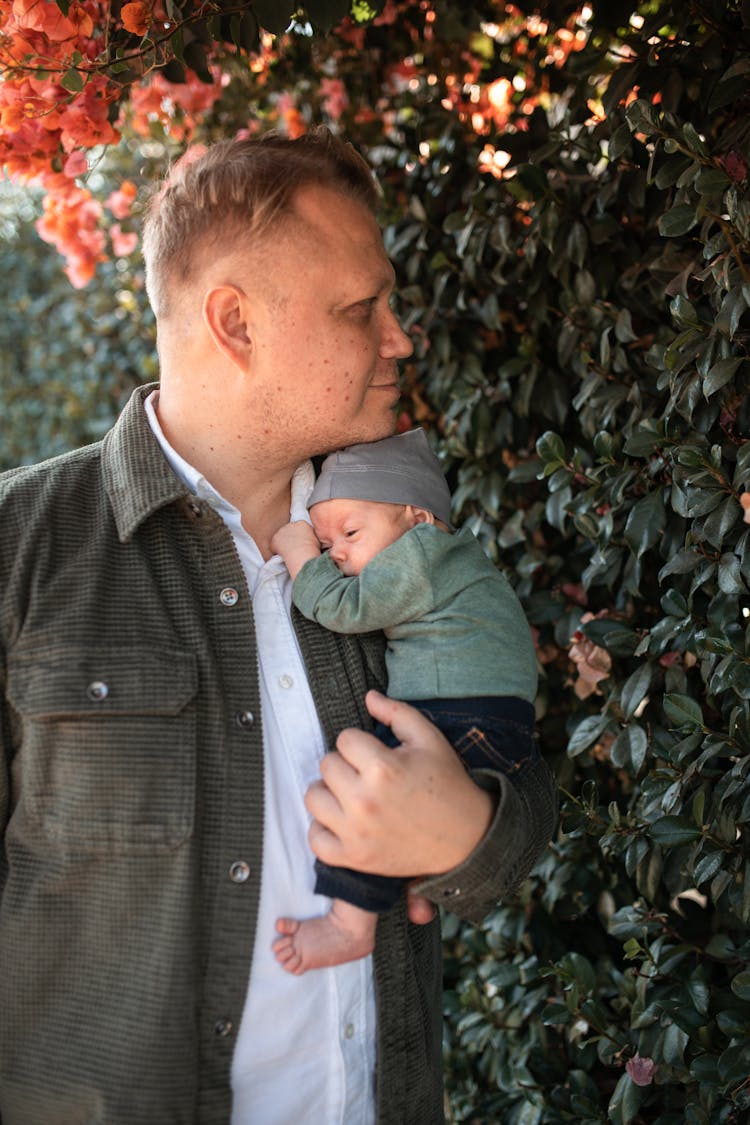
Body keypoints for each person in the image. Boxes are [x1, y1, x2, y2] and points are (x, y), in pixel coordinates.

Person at [0, 129, 558, 1125]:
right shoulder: (21, 549)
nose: (401, 338)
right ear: (236, 323)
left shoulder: (401, 543)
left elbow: (517, 781)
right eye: (362, 308)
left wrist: (472, 831)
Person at [270, 427, 540, 975]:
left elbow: (343, 608)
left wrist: (301, 554)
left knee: (373, 789)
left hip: (462, 713)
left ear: (416, 518)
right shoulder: (450, 561)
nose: (339, 554)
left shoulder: (422, 554)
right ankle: (409, 880)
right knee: (403, 810)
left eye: (349, 533)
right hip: (490, 719)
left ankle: (350, 924)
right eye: (328, 546)